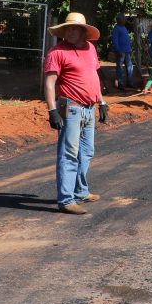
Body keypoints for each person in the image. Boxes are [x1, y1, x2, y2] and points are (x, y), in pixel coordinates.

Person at [43, 12, 108, 215]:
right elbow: (50, 83)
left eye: (75, 28)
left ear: (83, 31)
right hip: (70, 108)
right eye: (68, 28)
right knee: (69, 154)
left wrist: (102, 101)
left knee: (86, 152)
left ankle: (81, 191)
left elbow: (93, 77)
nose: (70, 31)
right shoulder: (57, 52)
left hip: (89, 108)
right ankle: (66, 199)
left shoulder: (90, 48)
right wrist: (52, 110)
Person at [110, 13, 133, 91]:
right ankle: (120, 84)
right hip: (120, 51)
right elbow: (114, 41)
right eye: (124, 19)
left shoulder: (124, 28)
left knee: (130, 67)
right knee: (120, 68)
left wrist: (130, 49)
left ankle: (130, 82)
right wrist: (117, 50)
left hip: (127, 51)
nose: (125, 20)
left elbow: (127, 40)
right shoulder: (116, 29)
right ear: (119, 20)